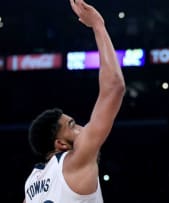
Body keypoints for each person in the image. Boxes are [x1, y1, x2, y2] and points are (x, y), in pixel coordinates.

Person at [23, 0, 126, 202]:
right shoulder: (73, 162)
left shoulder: (31, 183)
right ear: (61, 143)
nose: (82, 127)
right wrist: (98, 25)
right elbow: (114, 87)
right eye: (73, 126)